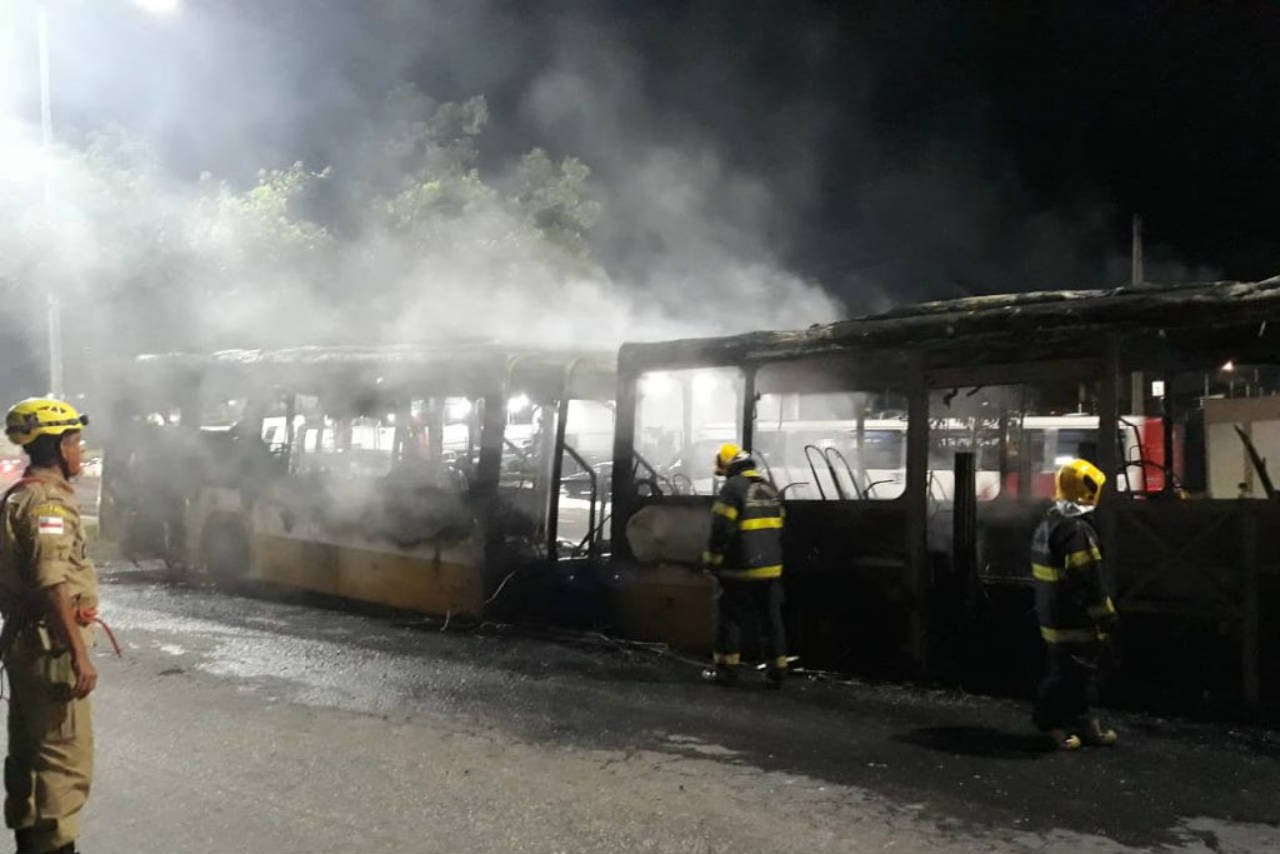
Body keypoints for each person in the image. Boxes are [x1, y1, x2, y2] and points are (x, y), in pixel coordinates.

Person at [0, 399, 99, 853]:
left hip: (28, 641)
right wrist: (77, 651)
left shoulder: (20, 493)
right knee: (61, 764)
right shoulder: (45, 501)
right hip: (50, 647)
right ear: (60, 445)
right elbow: (52, 579)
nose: (80, 451)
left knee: (31, 757)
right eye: (76, 441)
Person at [1030, 458, 1119, 750]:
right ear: (1088, 491)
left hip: (1052, 612)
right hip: (1073, 616)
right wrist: (1105, 615)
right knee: (1071, 674)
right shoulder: (1076, 531)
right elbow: (1089, 579)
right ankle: (1052, 725)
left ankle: (1080, 722)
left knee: (1074, 672)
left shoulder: (1049, 521)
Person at [701, 443, 787, 688]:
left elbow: (721, 530)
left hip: (739, 567)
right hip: (771, 567)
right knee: (771, 619)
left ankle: (726, 671)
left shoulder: (733, 488)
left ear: (730, 466)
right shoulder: (769, 487)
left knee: (730, 618)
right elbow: (781, 524)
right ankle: (777, 672)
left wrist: (712, 564)